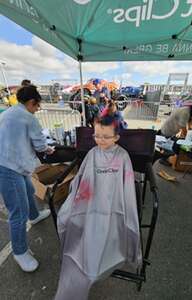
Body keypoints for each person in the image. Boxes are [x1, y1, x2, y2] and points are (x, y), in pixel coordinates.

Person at [55, 112, 140, 300]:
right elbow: (81, 180)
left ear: (117, 137)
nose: (100, 140)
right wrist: (77, 198)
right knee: (65, 217)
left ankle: (97, 263)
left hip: (113, 205)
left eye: (106, 136)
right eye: (96, 135)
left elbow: (125, 188)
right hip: (90, 202)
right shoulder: (92, 154)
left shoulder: (123, 157)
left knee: (106, 232)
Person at [0, 85, 54, 272]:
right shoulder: (28, 118)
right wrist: (48, 149)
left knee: (30, 190)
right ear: (32, 102)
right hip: (8, 166)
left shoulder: (9, 112)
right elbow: (40, 145)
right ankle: (20, 252)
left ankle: (35, 215)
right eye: (37, 106)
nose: (37, 110)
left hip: (12, 161)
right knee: (18, 213)